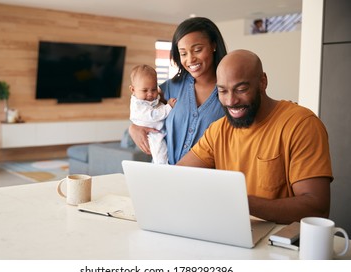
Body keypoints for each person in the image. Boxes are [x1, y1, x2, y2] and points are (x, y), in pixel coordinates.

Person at [177, 49, 333, 225]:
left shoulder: (301, 125)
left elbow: (316, 208)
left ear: (262, 82)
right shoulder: (218, 130)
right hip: (232, 233)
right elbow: (177, 177)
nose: (230, 101)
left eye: (241, 89)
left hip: (281, 243)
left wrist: (241, 202)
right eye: (223, 91)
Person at [129, 17, 227, 164]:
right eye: (183, 53)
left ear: (213, 45)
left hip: (207, 181)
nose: (190, 59)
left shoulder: (229, 93)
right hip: (166, 177)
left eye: (197, 50)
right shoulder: (170, 87)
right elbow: (142, 109)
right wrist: (133, 128)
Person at [129, 64, 177, 164]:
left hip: (159, 130)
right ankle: (162, 169)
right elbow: (153, 115)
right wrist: (168, 107)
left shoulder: (148, 98)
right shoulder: (137, 105)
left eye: (154, 89)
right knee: (161, 153)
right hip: (152, 134)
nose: (150, 94)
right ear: (133, 90)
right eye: (145, 90)